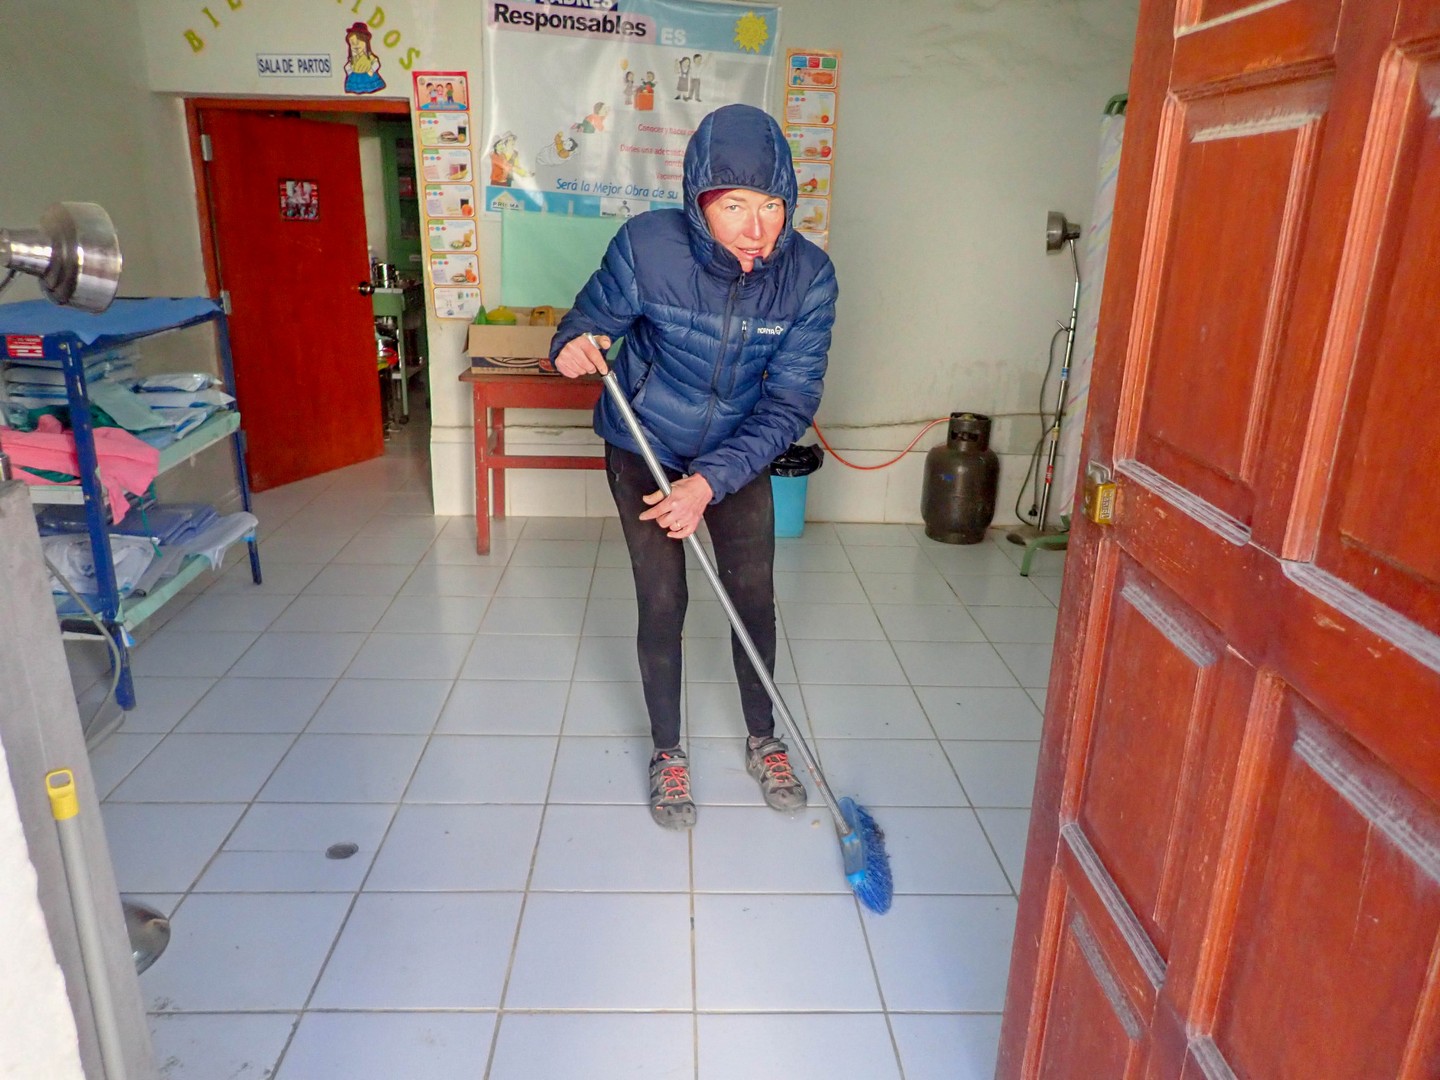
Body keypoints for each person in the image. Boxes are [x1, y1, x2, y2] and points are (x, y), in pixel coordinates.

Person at [550, 104, 838, 830]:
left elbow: (792, 399)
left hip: (735, 453)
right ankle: (667, 750)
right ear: (699, 201)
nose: (756, 228)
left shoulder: (808, 277)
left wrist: (708, 483)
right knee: (662, 599)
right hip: (645, 443)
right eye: (734, 205)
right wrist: (573, 346)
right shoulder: (647, 246)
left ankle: (763, 738)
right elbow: (586, 323)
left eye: (771, 205)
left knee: (753, 595)